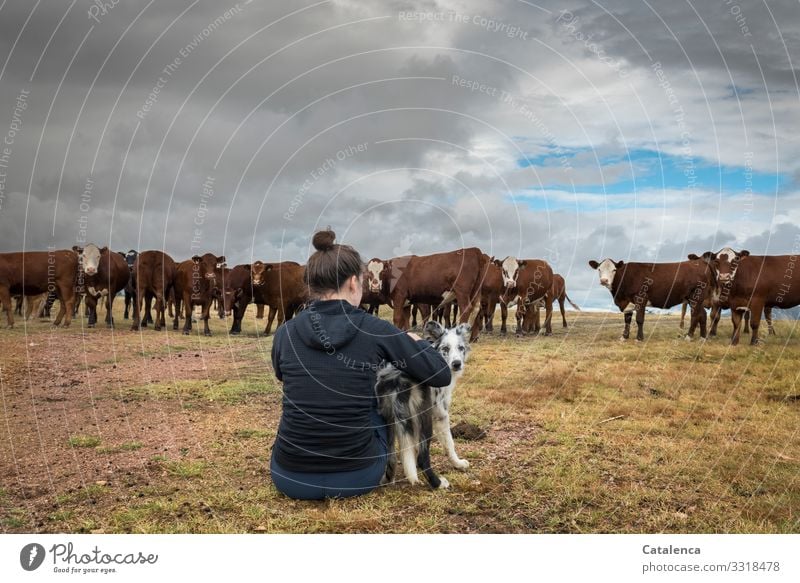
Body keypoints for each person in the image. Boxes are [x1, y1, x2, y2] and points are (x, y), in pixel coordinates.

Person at [269, 229, 452, 500]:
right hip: (357, 477)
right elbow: (440, 374)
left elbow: (283, 375)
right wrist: (414, 342)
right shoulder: (376, 329)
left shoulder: (286, 332)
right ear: (354, 283)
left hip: (289, 477)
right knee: (378, 399)